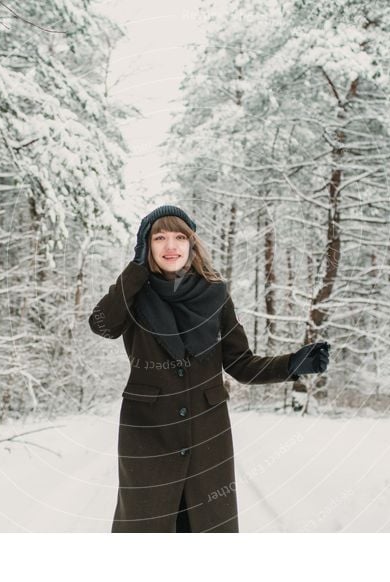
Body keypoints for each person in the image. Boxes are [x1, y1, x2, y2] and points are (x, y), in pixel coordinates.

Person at [88, 205, 330, 533]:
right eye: (159, 237)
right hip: (147, 435)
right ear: (146, 245)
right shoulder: (134, 294)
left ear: (191, 244)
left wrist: (292, 364)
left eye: (179, 237)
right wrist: (134, 269)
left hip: (207, 433)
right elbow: (102, 324)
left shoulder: (215, 295)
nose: (170, 245)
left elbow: (241, 364)